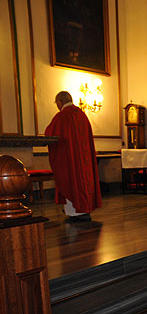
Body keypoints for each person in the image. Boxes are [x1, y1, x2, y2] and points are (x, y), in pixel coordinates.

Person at [45, 91, 102, 222]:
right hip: (84, 160)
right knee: (83, 183)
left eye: (56, 103)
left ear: (60, 101)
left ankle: (75, 214)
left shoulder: (62, 116)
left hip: (70, 159)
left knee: (71, 181)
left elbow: (49, 134)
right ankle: (85, 210)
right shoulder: (82, 115)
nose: (57, 106)